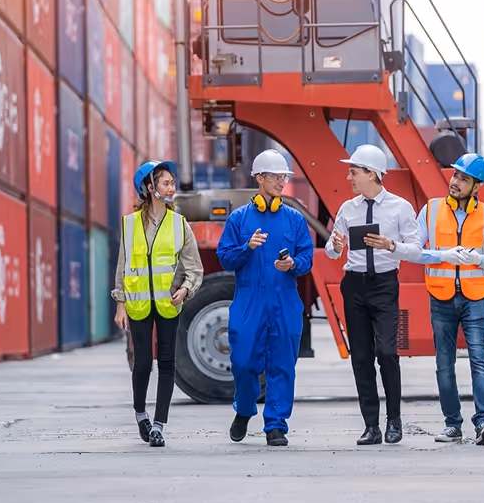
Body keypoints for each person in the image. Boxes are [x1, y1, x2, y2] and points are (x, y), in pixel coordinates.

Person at [325, 144, 422, 445]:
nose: (349, 177)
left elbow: (417, 250)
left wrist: (390, 246)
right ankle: (371, 426)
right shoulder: (347, 209)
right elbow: (331, 250)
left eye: (354, 172)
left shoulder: (400, 207)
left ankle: (394, 419)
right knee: (362, 357)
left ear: (371, 173)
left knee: (388, 353)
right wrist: (337, 246)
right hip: (354, 286)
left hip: (383, 285)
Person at [217, 149, 314, 447]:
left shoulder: (295, 220)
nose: (281, 182)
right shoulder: (239, 219)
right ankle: (245, 409)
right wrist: (247, 247)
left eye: (283, 176)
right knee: (244, 362)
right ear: (259, 178)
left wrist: (293, 264)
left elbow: (307, 256)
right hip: (249, 301)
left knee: (283, 364)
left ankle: (276, 424)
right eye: (275, 176)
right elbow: (225, 258)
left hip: (284, 300)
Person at [414, 153, 484, 445]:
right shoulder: (430, 210)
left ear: (477, 186)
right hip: (440, 297)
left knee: (479, 359)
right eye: (455, 175)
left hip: (475, 297)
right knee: (444, 363)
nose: (455, 182)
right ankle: (453, 424)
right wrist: (441, 255)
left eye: (463, 178)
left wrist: (481, 259)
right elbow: (414, 250)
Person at [112, 160, 203, 448]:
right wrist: (120, 304)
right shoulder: (129, 224)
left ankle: (159, 426)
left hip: (167, 304)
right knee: (142, 364)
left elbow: (195, 269)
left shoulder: (180, 225)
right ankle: (141, 416)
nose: (172, 187)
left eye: (172, 183)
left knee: (167, 364)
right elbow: (122, 266)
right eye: (166, 182)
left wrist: (186, 290)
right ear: (150, 188)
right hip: (138, 305)